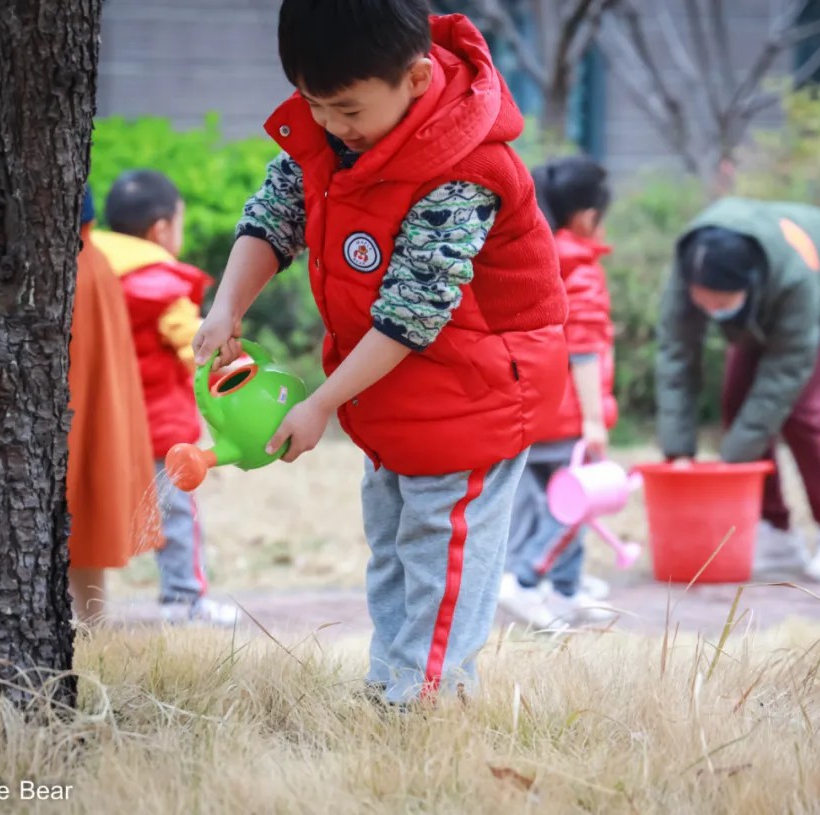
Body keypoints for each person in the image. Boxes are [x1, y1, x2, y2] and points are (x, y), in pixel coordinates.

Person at [193, 1, 568, 706]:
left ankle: (426, 701)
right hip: (396, 388)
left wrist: (321, 404)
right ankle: (391, 681)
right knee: (394, 541)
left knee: (439, 550)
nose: (332, 125)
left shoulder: (465, 171)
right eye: (314, 103)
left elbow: (412, 314)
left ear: (418, 77)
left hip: (477, 388)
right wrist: (226, 307)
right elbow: (274, 214)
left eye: (347, 109)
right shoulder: (332, 132)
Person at [655, 198, 820, 582]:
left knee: (801, 411)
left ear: (751, 286)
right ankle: (776, 530)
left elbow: (788, 368)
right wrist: (678, 451)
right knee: (737, 404)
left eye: (720, 303)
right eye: (701, 302)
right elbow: (676, 355)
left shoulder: (792, 277)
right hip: (765, 312)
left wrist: (733, 459)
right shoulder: (690, 265)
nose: (710, 310)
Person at [93, 170, 238, 626]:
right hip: (160, 431)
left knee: (90, 510)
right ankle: (184, 600)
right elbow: (193, 344)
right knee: (177, 515)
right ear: (161, 229)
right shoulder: (164, 288)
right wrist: (228, 361)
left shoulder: (90, 272)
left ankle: (85, 607)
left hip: (103, 427)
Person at [498, 156, 618, 629]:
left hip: (531, 409)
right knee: (577, 503)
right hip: (568, 417)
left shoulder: (532, 253)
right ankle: (526, 582)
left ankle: (565, 593)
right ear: (587, 217)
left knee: (550, 502)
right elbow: (583, 348)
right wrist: (592, 419)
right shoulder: (581, 268)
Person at [67, 188, 159, 624]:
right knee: (83, 443)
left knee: (84, 443)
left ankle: (91, 621)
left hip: (69, 261)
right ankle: (90, 620)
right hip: (76, 264)